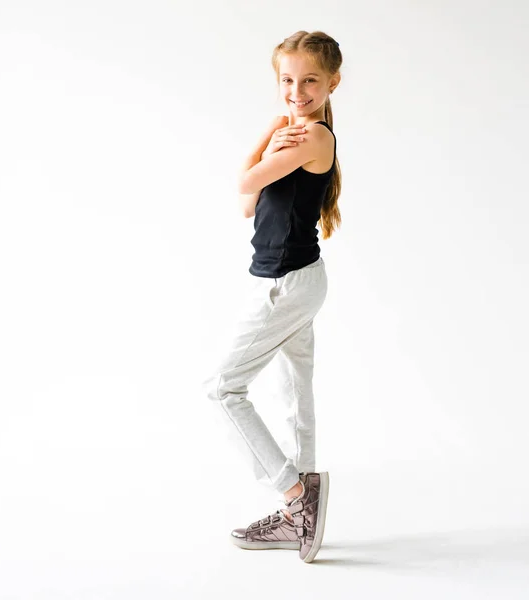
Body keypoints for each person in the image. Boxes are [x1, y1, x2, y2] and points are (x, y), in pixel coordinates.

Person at [202, 30, 343, 563]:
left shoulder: (311, 138)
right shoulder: (295, 133)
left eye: (310, 80)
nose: (297, 90)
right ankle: (299, 511)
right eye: (287, 80)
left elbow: (242, 182)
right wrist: (276, 131)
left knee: (220, 388)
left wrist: (269, 131)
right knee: (293, 393)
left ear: (332, 82)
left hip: (285, 283)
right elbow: (247, 207)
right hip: (296, 279)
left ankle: (293, 497)